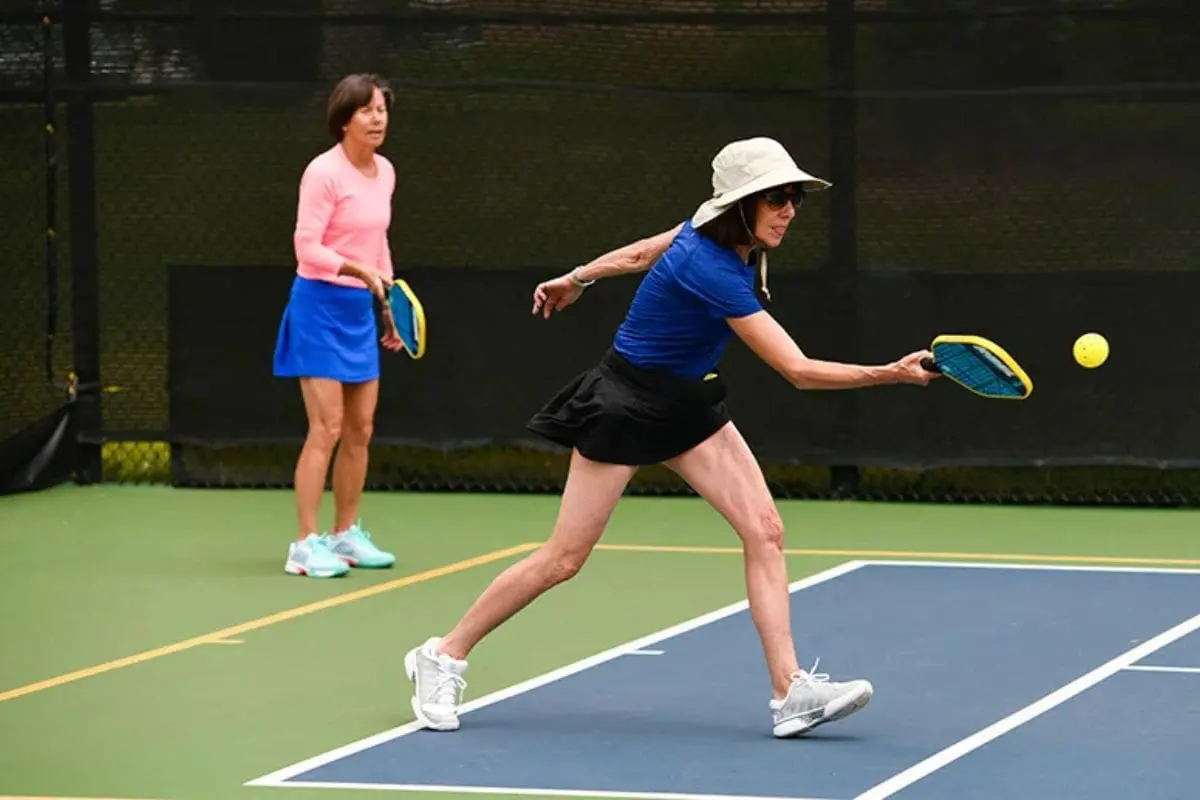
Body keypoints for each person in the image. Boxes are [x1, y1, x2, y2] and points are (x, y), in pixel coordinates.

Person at [403, 137, 938, 737]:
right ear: (743, 205)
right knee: (563, 559)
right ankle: (442, 655)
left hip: (689, 404)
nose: (790, 210)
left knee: (765, 530)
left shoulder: (715, 233)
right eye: (777, 199)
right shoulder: (711, 268)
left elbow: (640, 254)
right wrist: (889, 373)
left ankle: (789, 690)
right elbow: (798, 370)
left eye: (794, 199)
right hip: (625, 405)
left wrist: (577, 277)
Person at [272, 73, 403, 579]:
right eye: (367, 111)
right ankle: (304, 544)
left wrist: (387, 308)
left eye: (383, 110)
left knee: (360, 430)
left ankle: (345, 534)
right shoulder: (322, 173)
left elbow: (379, 245)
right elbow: (307, 247)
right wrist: (358, 271)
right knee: (324, 428)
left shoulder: (386, 172)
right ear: (344, 119)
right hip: (318, 306)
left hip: (358, 311)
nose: (377, 119)